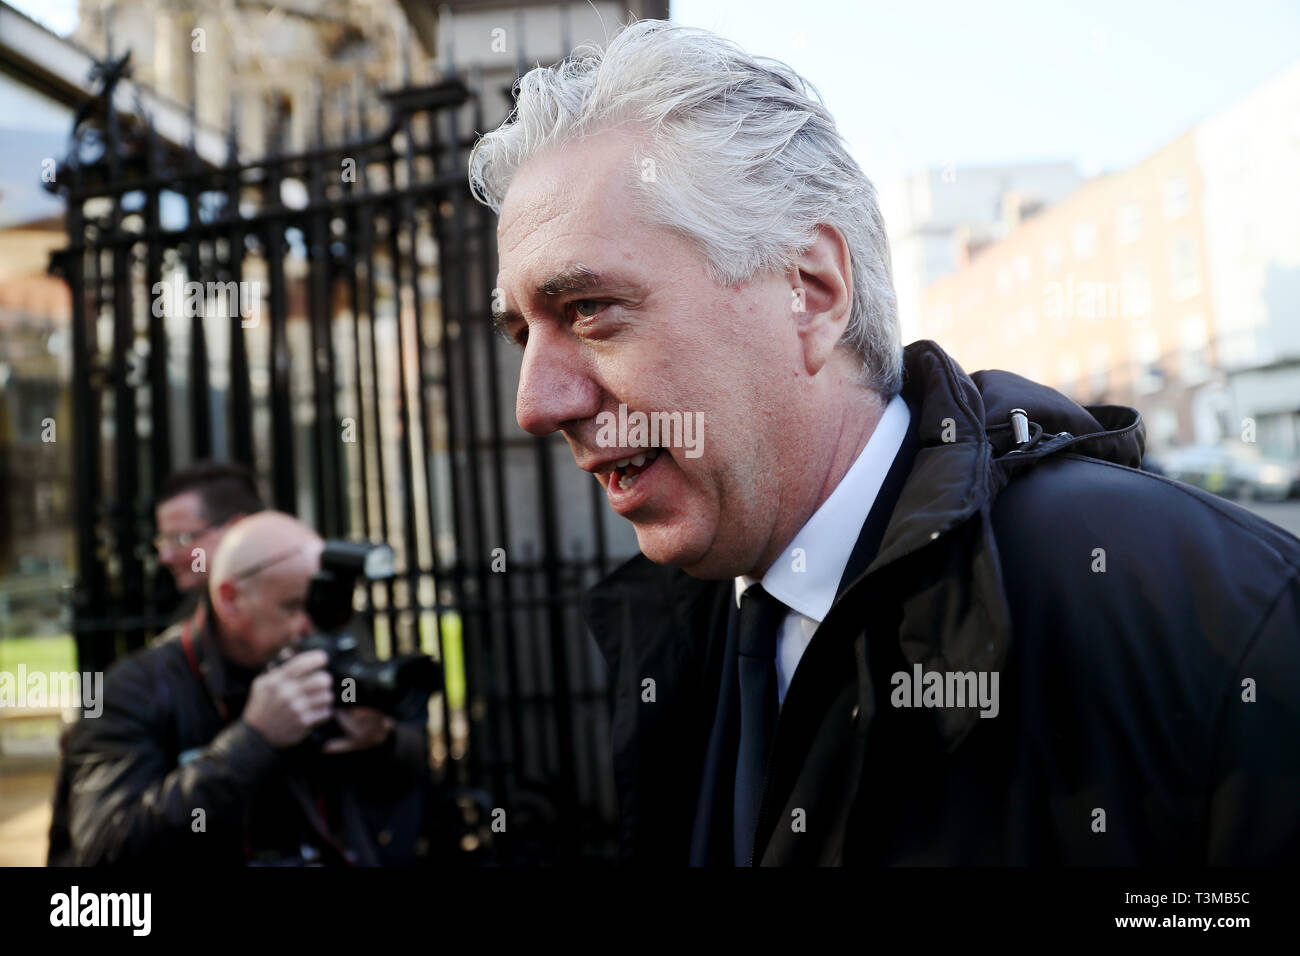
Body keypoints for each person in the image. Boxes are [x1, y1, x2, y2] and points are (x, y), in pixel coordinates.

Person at [469, 20, 1300, 865]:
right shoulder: (684, 627)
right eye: (519, 333)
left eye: (589, 310)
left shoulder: (1198, 608)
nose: (535, 404)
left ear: (813, 292)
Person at [47, 512, 434, 866]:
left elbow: (407, 782)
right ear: (230, 600)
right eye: (294, 606)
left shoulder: (323, 651)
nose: (311, 629)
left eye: (322, 607)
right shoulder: (135, 690)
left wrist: (381, 741)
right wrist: (253, 740)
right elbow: (105, 849)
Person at [154, 459, 264, 596]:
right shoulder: (197, 614)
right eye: (162, 541)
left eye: (180, 539)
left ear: (237, 529)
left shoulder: (289, 607)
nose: (165, 557)